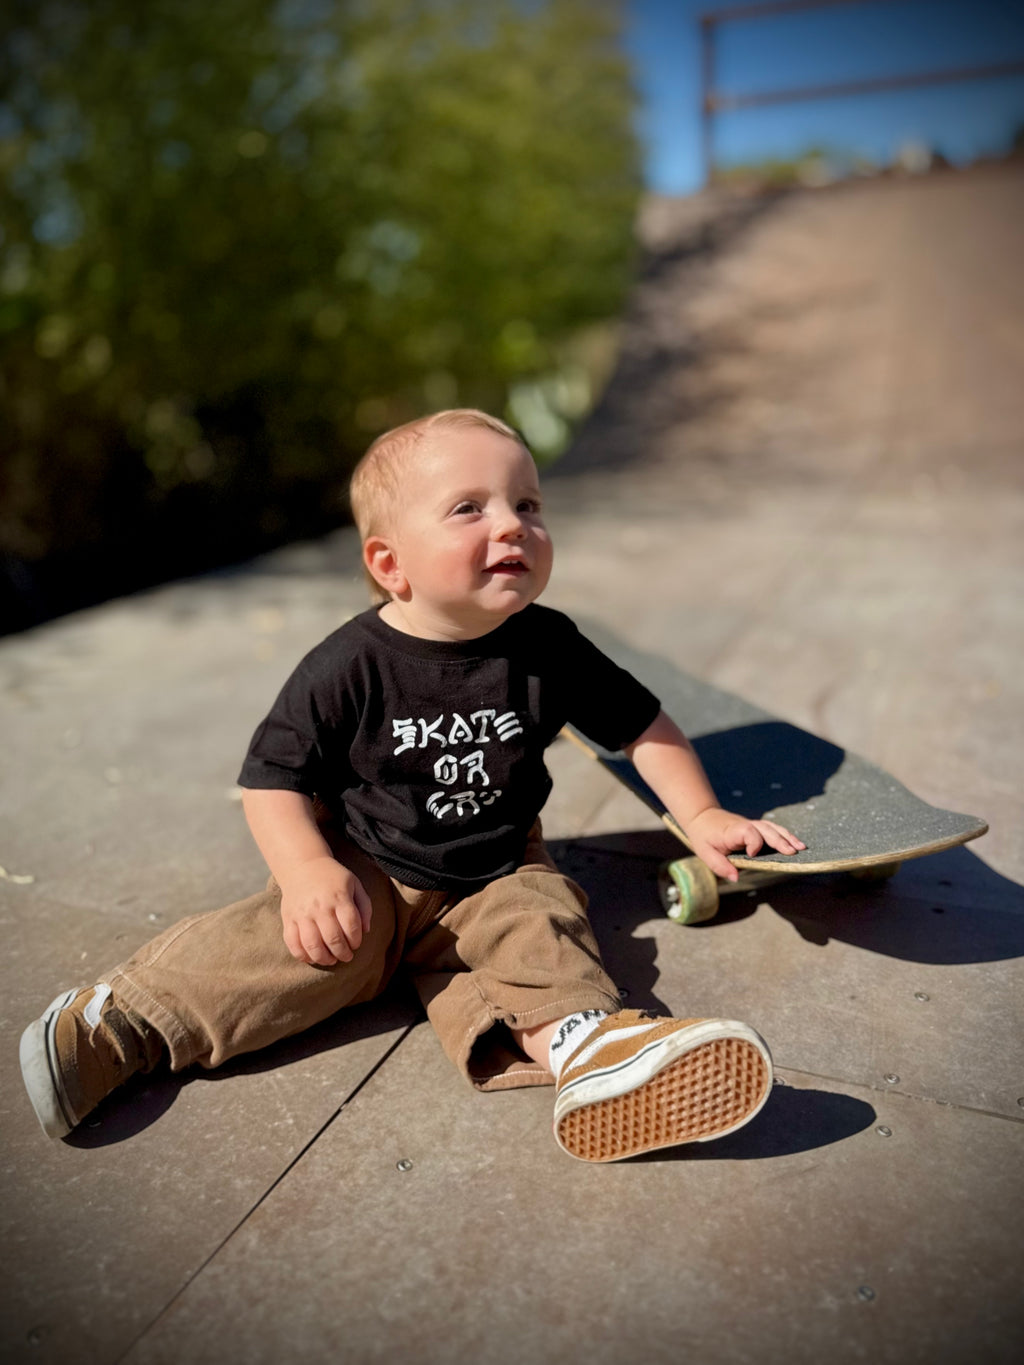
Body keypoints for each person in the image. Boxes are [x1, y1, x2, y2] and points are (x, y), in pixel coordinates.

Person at [20, 409, 806, 1162]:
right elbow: (272, 780)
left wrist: (699, 813)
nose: (513, 525)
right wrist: (306, 873)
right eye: (470, 508)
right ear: (389, 564)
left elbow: (644, 725)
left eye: (528, 504)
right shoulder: (348, 664)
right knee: (288, 955)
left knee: (540, 923)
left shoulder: (549, 646)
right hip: (370, 867)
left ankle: (588, 1049)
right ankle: (123, 1023)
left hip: (494, 867)